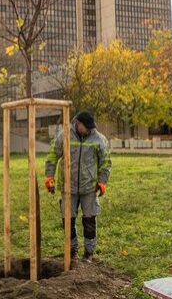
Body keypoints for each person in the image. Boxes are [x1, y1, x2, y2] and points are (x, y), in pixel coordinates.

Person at [45, 111, 112, 262]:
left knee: (89, 221)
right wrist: (49, 176)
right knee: (68, 220)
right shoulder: (64, 136)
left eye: (90, 127)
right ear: (78, 123)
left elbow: (106, 162)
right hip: (68, 187)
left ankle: (88, 253)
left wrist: (102, 181)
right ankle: (72, 250)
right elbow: (52, 156)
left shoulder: (99, 139)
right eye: (86, 127)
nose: (89, 130)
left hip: (89, 187)